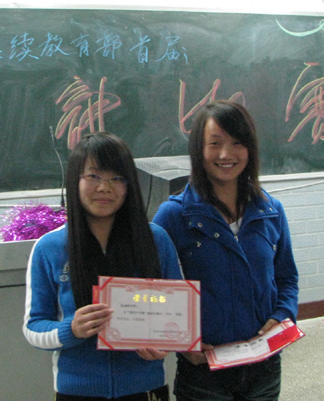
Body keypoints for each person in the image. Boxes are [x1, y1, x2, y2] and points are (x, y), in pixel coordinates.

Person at [153, 100, 299, 401]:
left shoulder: (271, 211)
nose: (226, 154)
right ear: (199, 150)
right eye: (215, 143)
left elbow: (286, 278)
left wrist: (283, 315)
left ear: (250, 148)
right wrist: (182, 343)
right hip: (204, 373)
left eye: (237, 143)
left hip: (264, 369)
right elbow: (153, 289)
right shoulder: (174, 216)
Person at [23, 132, 183, 401]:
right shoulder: (49, 247)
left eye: (117, 178)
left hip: (145, 387)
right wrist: (71, 330)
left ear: (129, 185)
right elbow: (33, 327)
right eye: (94, 176)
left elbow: (179, 311)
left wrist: (165, 343)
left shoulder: (156, 240)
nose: (105, 188)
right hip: (77, 391)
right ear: (75, 180)